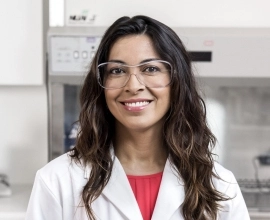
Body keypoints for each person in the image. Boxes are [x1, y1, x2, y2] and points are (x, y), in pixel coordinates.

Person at [25, 15, 250, 220]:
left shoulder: (220, 185)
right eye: (117, 71)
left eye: (150, 69)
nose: (133, 86)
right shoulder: (57, 182)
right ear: (101, 85)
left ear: (177, 81)